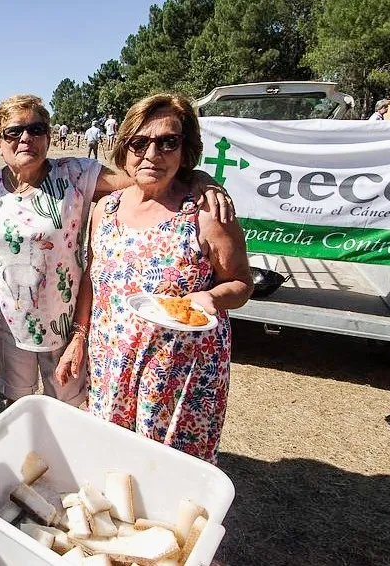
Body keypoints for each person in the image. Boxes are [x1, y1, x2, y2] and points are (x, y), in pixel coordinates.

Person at [0, 94, 234, 408]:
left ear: (48, 136)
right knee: (16, 402)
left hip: (63, 316)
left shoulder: (75, 174)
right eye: (13, 131)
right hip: (8, 317)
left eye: (36, 129)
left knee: (65, 406)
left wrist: (199, 178)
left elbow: (145, 174)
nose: (25, 138)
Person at [55, 93, 253, 463]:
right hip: (111, 363)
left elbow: (242, 283)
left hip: (179, 372)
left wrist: (214, 297)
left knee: (167, 471)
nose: (152, 154)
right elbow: (92, 281)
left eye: (167, 142)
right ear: (125, 147)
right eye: (139, 142)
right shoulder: (105, 209)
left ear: (185, 149)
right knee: (111, 461)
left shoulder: (207, 213)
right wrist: (78, 338)